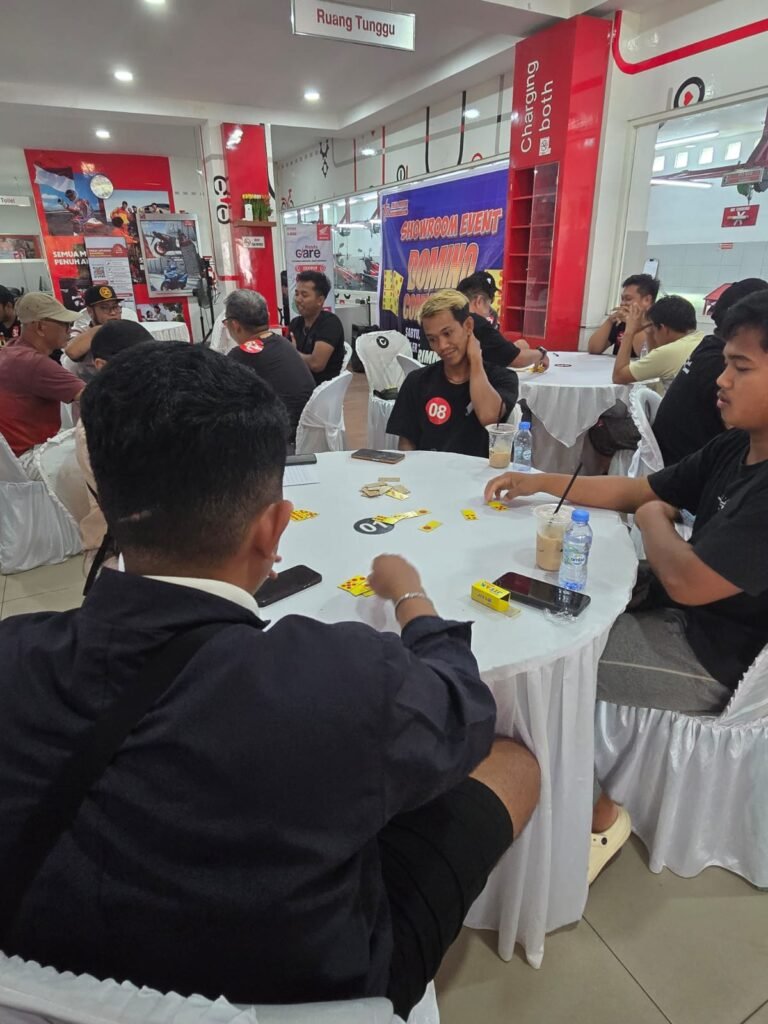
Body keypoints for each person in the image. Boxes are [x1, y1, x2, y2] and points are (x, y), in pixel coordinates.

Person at [0, 341, 540, 1018]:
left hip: (40, 974)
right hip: (310, 987)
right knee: (513, 762)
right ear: (273, 529)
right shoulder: (342, 676)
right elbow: (465, 709)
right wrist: (413, 599)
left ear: (104, 502)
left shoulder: (13, 651)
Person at [485, 289, 768, 880]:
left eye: (741, 368)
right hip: (673, 607)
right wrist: (541, 481)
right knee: (534, 602)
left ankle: (599, 817)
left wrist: (651, 519)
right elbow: (639, 490)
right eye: (725, 363)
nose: (720, 380)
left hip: (715, 656)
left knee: (553, 669)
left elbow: (686, 579)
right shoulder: (736, 446)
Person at [387, 289, 519, 457]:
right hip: (429, 469)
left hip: (479, 472)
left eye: (447, 333)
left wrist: (476, 360)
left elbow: (489, 418)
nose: (441, 346)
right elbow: (406, 443)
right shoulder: (417, 381)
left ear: (468, 326)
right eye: (432, 339)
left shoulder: (502, 378)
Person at [653, 278, 768, 466]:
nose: (723, 380)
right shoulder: (729, 446)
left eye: (741, 368)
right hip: (677, 463)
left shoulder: (708, 347)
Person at [74, 319, 154, 573]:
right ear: (102, 366)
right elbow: (133, 501)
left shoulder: (147, 402)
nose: (150, 371)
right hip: (122, 542)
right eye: (138, 364)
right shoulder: (96, 427)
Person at [225, 288, 314, 448]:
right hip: (307, 428)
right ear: (267, 316)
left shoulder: (239, 355)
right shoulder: (282, 342)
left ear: (235, 325)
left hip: (279, 438)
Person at [0, 292, 82, 461]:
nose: (69, 330)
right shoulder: (35, 363)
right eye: (65, 324)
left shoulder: (11, 349)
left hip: (11, 458)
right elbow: (96, 396)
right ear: (40, 327)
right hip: (32, 457)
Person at [456, 273, 549, 372]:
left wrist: (511, 348)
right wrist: (541, 354)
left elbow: (492, 353)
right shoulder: (476, 323)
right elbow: (516, 359)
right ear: (479, 301)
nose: (489, 312)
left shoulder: (451, 316)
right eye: (489, 304)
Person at [612, 294, 704, 390]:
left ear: (664, 329)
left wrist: (629, 332)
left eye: (654, 329)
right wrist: (649, 333)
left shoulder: (668, 352)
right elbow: (655, 364)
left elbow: (619, 376)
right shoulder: (702, 340)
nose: (654, 335)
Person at [290, 271, 345, 385]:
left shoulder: (330, 323)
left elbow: (316, 364)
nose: (298, 299)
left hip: (321, 389)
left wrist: (294, 354)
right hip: (298, 383)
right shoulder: (295, 323)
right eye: (297, 294)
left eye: (304, 295)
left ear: (320, 300)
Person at [587, 274, 660, 356]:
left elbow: (643, 355)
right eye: (622, 299)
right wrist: (610, 321)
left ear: (647, 300)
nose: (622, 303)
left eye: (628, 299)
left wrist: (633, 325)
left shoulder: (657, 324)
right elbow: (593, 349)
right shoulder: (621, 321)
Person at [63, 285, 123, 383]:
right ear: (90, 311)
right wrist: (104, 328)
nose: (113, 312)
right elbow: (71, 352)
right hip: (88, 386)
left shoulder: (127, 329)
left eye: (115, 307)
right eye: (105, 308)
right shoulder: (81, 331)